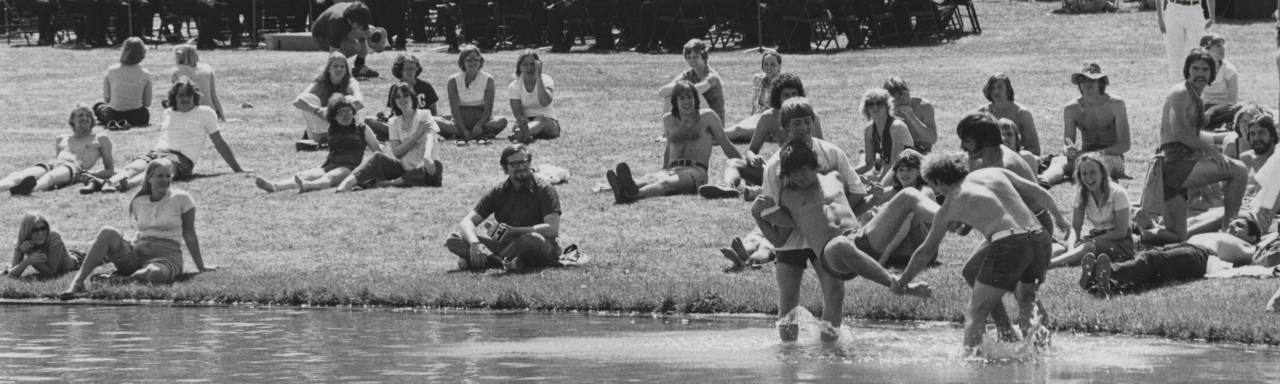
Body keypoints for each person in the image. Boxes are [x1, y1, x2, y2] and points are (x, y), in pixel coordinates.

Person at [893, 153, 1070, 356]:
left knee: (977, 311)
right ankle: (1043, 355)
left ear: (938, 182)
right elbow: (1039, 191)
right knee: (1027, 300)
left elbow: (925, 252)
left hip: (1009, 244)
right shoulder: (993, 172)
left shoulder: (950, 204)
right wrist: (1060, 219)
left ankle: (972, 364)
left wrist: (903, 281)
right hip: (1040, 238)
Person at [754, 140, 930, 341]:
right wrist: (756, 213)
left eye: (802, 170)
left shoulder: (835, 177)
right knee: (840, 244)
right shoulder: (788, 195)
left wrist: (872, 199)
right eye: (792, 173)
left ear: (814, 165)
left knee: (907, 195)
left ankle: (950, 217)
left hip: (859, 239)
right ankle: (896, 284)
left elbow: (850, 210)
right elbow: (778, 238)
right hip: (832, 254)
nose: (798, 177)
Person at [1137, 49, 1249, 244]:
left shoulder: (1195, 96)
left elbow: (1193, 136)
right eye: (1195, 68)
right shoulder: (1180, 93)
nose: (1200, 73)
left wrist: (1217, 142)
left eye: (1205, 69)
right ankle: (1228, 230)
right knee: (1239, 170)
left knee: (1178, 237)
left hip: (1176, 166)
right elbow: (1180, 133)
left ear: (1211, 74)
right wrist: (1212, 152)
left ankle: (1137, 235)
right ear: (1187, 70)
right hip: (1175, 163)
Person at [63, 158, 217, 294]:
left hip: (166, 255)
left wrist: (201, 267)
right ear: (149, 178)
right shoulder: (139, 201)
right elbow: (142, 231)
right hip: (136, 254)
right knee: (107, 232)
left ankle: (122, 280)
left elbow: (189, 234)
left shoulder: (182, 199)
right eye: (160, 176)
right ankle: (77, 283)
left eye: (168, 176)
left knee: (155, 273)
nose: (165, 180)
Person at [95, 79, 248, 193]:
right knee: (135, 166)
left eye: (189, 95)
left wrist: (238, 169)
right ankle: (108, 182)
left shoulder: (205, 113)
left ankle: (127, 185)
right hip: (158, 152)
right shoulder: (168, 112)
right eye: (181, 95)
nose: (185, 99)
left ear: (195, 97)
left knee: (159, 170)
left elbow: (219, 143)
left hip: (181, 158)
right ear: (174, 97)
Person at [608, 80, 740, 203]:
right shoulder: (669, 119)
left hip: (695, 171)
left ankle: (632, 195)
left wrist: (744, 167)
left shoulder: (707, 117)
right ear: (675, 101)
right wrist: (663, 170)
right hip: (673, 169)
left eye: (690, 97)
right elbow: (668, 149)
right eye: (681, 98)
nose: (686, 102)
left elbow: (726, 145)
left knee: (667, 183)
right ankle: (623, 186)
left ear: (696, 99)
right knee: (650, 179)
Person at [700, 73, 821, 200]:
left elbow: (821, 151)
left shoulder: (810, 118)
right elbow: (751, 150)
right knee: (733, 163)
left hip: (803, 173)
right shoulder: (769, 117)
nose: (791, 98)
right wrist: (754, 159)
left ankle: (763, 191)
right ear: (777, 96)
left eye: (794, 94)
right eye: (786, 95)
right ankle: (727, 187)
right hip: (776, 170)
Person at [445, 144, 562, 272]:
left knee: (533, 239)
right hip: (506, 246)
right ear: (505, 168)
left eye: (524, 162)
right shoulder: (498, 191)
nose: (522, 167)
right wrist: (474, 243)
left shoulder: (545, 189)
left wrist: (515, 231)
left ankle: (488, 260)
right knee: (453, 239)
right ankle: (505, 262)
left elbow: (552, 229)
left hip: (539, 245)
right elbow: (466, 222)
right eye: (515, 164)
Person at [1082, 216, 1264, 296]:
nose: (1232, 226)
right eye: (1232, 223)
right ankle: (1100, 283)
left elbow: (1259, 256)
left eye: (1239, 225)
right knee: (1150, 263)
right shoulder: (1222, 234)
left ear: (1252, 236)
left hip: (1199, 255)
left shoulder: (1247, 245)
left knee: (1151, 261)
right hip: (1186, 248)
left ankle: (1106, 277)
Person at [256, 95, 381, 193]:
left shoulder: (362, 129)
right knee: (304, 174)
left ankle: (308, 186)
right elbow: (305, 105)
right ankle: (275, 186)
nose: (346, 115)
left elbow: (377, 151)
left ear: (353, 113)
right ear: (335, 117)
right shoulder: (332, 128)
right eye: (341, 112)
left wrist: (370, 171)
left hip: (349, 168)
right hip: (328, 165)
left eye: (349, 112)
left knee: (330, 177)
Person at [336, 82, 444, 191]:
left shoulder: (424, 114)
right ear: (394, 101)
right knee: (378, 157)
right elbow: (397, 153)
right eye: (397, 97)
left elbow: (430, 136)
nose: (402, 99)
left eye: (405, 95)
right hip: (404, 168)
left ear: (412, 96)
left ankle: (389, 183)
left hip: (426, 167)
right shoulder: (394, 122)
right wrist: (416, 136)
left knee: (436, 166)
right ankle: (347, 183)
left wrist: (427, 156)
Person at [1039, 63, 1131, 186]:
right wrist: (1069, 150)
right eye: (1083, 80)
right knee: (1058, 161)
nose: (1087, 84)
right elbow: (1067, 143)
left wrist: (1098, 154)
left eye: (1092, 80)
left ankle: (1099, 183)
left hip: (1111, 156)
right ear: (1079, 84)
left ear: (1100, 82)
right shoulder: (1071, 108)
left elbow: (1124, 145)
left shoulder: (1116, 104)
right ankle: (1044, 182)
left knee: (1101, 164)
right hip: (1085, 156)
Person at [1, 105, 114, 195]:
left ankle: (28, 190)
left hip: (73, 168)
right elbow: (58, 157)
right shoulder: (62, 138)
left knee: (50, 177)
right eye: (80, 115)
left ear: (92, 120)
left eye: (88, 116)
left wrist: (90, 174)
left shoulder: (100, 139)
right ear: (72, 120)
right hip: (52, 164)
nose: (84, 118)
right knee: (18, 176)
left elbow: (109, 170)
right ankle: (11, 186)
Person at [1048, 153, 1135, 268]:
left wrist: (1093, 241)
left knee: (1088, 247)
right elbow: (1075, 229)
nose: (1088, 178)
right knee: (1062, 247)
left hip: (1120, 243)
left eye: (1093, 172)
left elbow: (1121, 232)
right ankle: (1043, 262)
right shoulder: (1082, 193)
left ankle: (1050, 264)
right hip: (1097, 237)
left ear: (1102, 173)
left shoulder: (1118, 193)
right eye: (1084, 173)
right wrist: (1071, 246)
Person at [438, 45, 509, 146]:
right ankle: (470, 134)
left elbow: (488, 110)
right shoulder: (453, 81)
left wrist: (479, 125)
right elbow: (455, 110)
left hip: (481, 121)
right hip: (460, 122)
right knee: (432, 121)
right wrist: (463, 130)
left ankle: (473, 133)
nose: (473, 63)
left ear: (481, 62)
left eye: (476, 59)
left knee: (502, 121)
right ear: (462, 62)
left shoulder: (488, 79)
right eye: (469, 60)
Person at [364, 53, 440, 142]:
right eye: (407, 69)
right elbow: (394, 113)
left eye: (413, 68)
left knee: (438, 120)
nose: (410, 71)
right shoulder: (395, 88)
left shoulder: (426, 86)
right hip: (401, 125)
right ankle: (400, 135)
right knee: (369, 120)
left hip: (420, 123)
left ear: (417, 69)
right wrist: (385, 118)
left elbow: (433, 113)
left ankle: (396, 136)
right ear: (400, 70)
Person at [293, 52, 365, 145]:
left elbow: (359, 103)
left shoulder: (351, 83)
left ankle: (351, 135)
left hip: (345, 125)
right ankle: (321, 137)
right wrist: (317, 111)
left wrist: (332, 110)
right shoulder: (320, 82)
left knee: (350, 99)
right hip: (322, 125)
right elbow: (297, 101)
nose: (339, 69)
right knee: (309, 98)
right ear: (328, 69)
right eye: (335, 66)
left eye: (342, 67)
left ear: (346, 70)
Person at [658, 39, 725, 124]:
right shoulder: (688, 74)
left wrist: (680, 88)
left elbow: (696, 90)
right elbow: (662, 92)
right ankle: (667, 133)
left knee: (694, 93)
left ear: (704, 56)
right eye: (689, 57)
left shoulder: (712, 76)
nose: (692, 61)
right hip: (695, 120)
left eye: (695, 57)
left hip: (714, 124)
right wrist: (677, 88)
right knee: (670, 96)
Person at [855, 88, 914, 182]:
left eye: (879, 103)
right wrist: (848, 174)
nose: (875, 108)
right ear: (866, 108)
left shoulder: (897, 127)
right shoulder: (869, 130)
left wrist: (876, 181)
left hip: (907, 176)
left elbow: (894, 164)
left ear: (887, 106)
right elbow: (868, 164)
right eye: (871, 104)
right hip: (888, 174)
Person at [724, 50, 782, 144]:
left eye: (773, 64)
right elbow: (754, 106)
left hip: (772, 122)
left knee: (738, 130)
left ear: (779, 66)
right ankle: (712, 138)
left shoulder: (783, 83)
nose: (769, 67)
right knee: (737, 129)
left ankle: (711, 137)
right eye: (766, 64)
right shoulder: (757, 79)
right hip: (756, 117)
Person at [310, 1, 380, 78]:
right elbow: (333, 52)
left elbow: (365, 30)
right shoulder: (337, 22)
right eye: (359, 25)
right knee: (355, 47)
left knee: (370, 31)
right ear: (351, 21)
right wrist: (334, 65)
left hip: (340, 26)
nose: (362, 27)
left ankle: (359, 66)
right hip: (321, 37)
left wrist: (373, 39)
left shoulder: (358, 12)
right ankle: (330, 69)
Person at [95, 37, 153, 129]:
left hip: (114, 114)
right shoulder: (145, 74)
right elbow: (147, 103)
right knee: (144, 111)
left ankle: (115, 121)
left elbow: (107, 99)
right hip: (138, 116)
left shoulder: (111, 71)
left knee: (97, 106)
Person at [977, 73, 1040, 155]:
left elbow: (1035, 150)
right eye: (992, 88)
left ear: (1008, 90)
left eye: (1000, 87)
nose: (996, 91)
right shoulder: (983, 113)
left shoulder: (1022, 113)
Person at [4, 213, 80, 280]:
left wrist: (30, 254)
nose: (40, 233)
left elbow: (50, 273)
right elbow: (11, 276)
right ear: (27, 231)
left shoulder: (54, 238)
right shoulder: (23, 241)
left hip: (78, 261)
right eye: (35, 230)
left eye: (43, 228)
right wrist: (26, 262)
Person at [507, 50, 559, 144]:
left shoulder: (547, 80)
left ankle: (523, 133)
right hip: (525, 120)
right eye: (525, 65)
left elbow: (545, 102)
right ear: (519, 67)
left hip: (547, 121)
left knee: (541, 120)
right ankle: (526, 132)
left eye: (532, 64)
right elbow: (518, 113)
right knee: (518, 124)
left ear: (538, 65)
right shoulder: (514, 85)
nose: (529, 68)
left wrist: (539, 77)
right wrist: (525, 122)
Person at [1157, 0, 1214, 82]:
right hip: (1173, 9)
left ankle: (1196, 91)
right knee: (1174, 57)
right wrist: (1160, 17)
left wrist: (1212, 16)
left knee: (1198, 55)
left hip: (1195, 9)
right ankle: (1176, 91)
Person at [170, 45, 225, 122]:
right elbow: (213, 95)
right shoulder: (207, 68)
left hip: (190, 112)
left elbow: (176, 96)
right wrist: (223, 117)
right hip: (210, 112)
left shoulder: (177, 71)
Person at [883, 77, 937, 152]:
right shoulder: (884, 111)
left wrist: (912, 117)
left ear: (909, 91)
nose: (903, 99)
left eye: (904, 94)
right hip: (896, 150)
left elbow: (932, 139)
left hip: (921, 151)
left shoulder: (924, 106)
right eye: (897, 97)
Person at [1199, 33, 1238, 110]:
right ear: (1206, 49)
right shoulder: (1198, 68)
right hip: (1203, 107)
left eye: (1223, 46)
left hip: (1224, 109)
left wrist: (1212, 110)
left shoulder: (1230, 71)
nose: (1222, 49)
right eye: (1218, 46)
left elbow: (1232, 102)